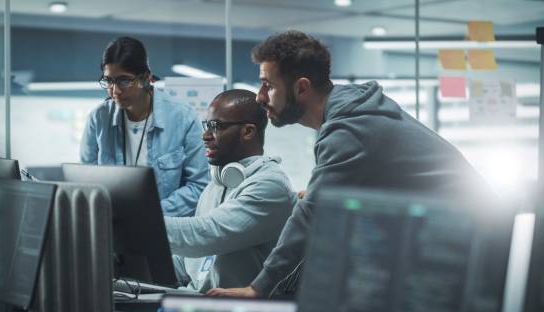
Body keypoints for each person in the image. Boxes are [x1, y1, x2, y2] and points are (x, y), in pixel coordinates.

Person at [207, 30, 488, 298]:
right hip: (455, 237)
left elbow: (311, 216)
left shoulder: (347, 128)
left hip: (470, 247)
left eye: (268, 85)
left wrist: (260, 287)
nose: (259, 96)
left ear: (301, 87)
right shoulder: (349, 111)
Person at [166, 89, 297, 293]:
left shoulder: (270, 185)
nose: (206, 136)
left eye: (215, 127)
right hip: (196, 301)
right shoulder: (216, 185)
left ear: (248, 132)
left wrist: (143, 227)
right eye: (206, 126)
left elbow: (206, 235)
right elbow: (188, 264)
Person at [80, 36, 208, 217]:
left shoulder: (183, 118)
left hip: (165, 230)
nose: (115, 91)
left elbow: (199, 186)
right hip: (114, 228)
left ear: (146, 78)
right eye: (109, 81)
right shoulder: (99, 118)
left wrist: (150, 214)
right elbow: (86, 180)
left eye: (124, 81)